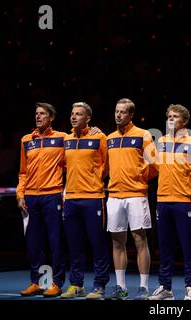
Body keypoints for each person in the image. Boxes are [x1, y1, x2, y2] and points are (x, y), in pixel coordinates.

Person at [148, 104, 191, 300]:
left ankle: (190, 287)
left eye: (175, 117)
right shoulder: (160, 142)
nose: (170, 120)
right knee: (164, 247)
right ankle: (165, 287)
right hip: (162, 201)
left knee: (188, 247)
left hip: (183, 201)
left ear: (184, 121)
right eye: (169, 116)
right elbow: (151, 169)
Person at [103, 98, 156, 300]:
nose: (118, 115)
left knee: (139, 240)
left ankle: (143, 287)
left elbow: (154, 164)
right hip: (114, 195)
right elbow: (105, 168)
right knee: (117, 242)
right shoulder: (110, 138)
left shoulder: (143, 135)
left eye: (123, 112)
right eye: (116, 111)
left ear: (131, 115)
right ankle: (120, 286)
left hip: (136, 194)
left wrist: (139, 178)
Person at [60, 102, 110, 300]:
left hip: (93, 198)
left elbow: (107, 165)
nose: (73, 117)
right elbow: (64, 165)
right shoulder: (66, 139)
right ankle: (76, 284)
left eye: (78, 114)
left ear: (88, 118)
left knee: (98, 244)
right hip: (71, 199)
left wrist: (95, 178)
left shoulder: (99, 137)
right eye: (72, 114)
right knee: (74, 245)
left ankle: (99, 285)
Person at [16, 102, 66, 297]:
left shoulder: (62, 138)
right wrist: (20, 194)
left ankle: (56, 282)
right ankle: (36, 282)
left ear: (51, 117)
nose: (38, 117)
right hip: (30, 197)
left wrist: (93, 129)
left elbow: (75, 158)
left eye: (42, 113)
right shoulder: (26, 140)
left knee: (55, 241)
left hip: (52, 195)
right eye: (36, 113)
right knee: (34, 242)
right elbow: (23, 172)